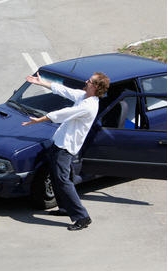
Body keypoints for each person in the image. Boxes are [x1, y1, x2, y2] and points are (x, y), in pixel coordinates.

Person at [22, 72, 110, 231]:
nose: (86, 81)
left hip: (65, 148)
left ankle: (82, 217)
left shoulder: (88, 106)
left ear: (95, 87)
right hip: (60, 143)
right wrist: (41, 83)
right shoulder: (84, 96)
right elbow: (64, 90)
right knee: (59, 178)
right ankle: (64, 208)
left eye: (89, 81)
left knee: (63, 180)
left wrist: (40, 119)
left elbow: (64, 113)